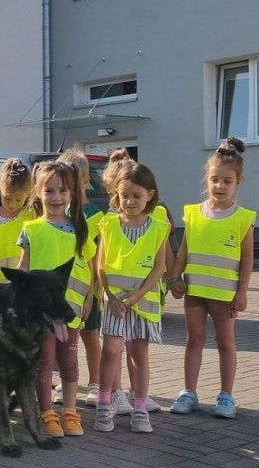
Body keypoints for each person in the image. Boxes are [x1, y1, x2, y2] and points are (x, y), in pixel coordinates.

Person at [169, 137, 255, 419]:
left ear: (238, 181)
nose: (219, 186)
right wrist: (174, 278)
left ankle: (226, 396)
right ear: (206, 179)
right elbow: (183, 250)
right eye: (214, 179)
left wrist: (242, 292)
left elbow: (247, 259)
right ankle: (189, 392)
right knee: (193, 340)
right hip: (195, 291)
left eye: (227, 181)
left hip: (225, 294)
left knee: (225, 343)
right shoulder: (193, 214)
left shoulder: (243, 218)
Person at [17, 161, 95, 438]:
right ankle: (48, 414)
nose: (56, 197)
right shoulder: (31, 229)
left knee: (70, 360)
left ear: (72, 193)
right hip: (41, 314)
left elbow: (91, 267)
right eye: (49, 191)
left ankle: (71, 412)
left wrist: (89, 298)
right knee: (45, 360)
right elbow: (23, 269)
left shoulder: (81, 229)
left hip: (70, 308)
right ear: (38, 192)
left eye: (62, 190)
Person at [94, 162, 169, 433]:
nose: (130, 201)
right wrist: (111, 296)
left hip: (143, 302)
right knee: (111, 350)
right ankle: (105, 403)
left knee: (139, 353)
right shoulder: (109, 224)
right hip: (115, 302)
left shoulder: (159, 226)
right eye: (124, 195)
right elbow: (100, 265)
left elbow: (159, 267)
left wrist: (137, 295)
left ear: (150, 195)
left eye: (136, 196)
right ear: (117, 195)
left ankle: (140, 408)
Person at [55, 149, 103, 409]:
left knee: (90, 333)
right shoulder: (57, 214)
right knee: (64, 336)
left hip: (87, 289)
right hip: (63, 289)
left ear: (85, 181)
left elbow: (97, 259)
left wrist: (93, 293)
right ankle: (66, 380)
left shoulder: (96, 216)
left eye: (73, 179)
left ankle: (95, 383)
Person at [0, 158, 33, 287]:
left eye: (18, 200)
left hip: (22, 284)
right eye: (8, 198)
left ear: (27, 194)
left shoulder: (31, 216)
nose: (12, 204)